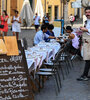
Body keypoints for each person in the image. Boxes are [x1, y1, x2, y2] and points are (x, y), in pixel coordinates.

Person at [77, 7, 90, 81]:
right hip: (86, 41)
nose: (87, 14)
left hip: (89, 42)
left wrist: (86, 29)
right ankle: (85, 74)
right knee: (88, 59)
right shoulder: (87, 20)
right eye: (86, 12)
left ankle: (84, 75)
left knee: (87, 59)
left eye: (89, 12)